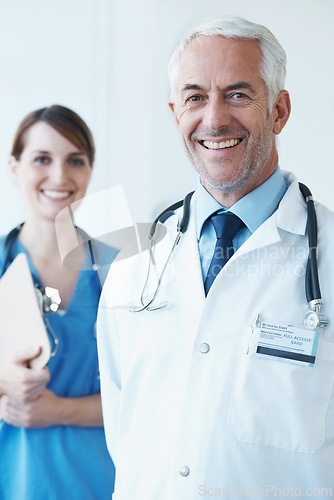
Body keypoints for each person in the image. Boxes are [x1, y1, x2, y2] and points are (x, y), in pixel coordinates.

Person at [97, 16, 334, 499]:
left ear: (279, 110)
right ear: (175, 113)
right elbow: (126, 431)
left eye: (238, 94)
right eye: (194, 97)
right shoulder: (136, 261)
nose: (214, 118)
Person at [0, 105, 117, 499]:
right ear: (14, 167)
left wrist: (59, 410)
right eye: (42, 159)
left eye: (75, 160)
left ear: (90, 170)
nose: (59, 176)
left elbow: (150, 395)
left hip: (98, 485)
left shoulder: (123, 273)